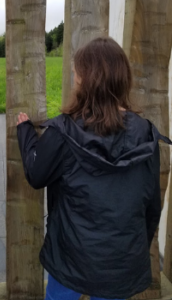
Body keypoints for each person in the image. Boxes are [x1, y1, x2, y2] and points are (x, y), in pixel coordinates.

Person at [16, 37, 172, 300]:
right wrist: (136, 249)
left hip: (70, 255)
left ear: (83, 80)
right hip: (120, 260)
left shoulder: (63, 130)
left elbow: (36, 173)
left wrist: (26, 133)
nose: (74, 76)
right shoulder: (145, 133)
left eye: (76, 72)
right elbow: (152, 205)